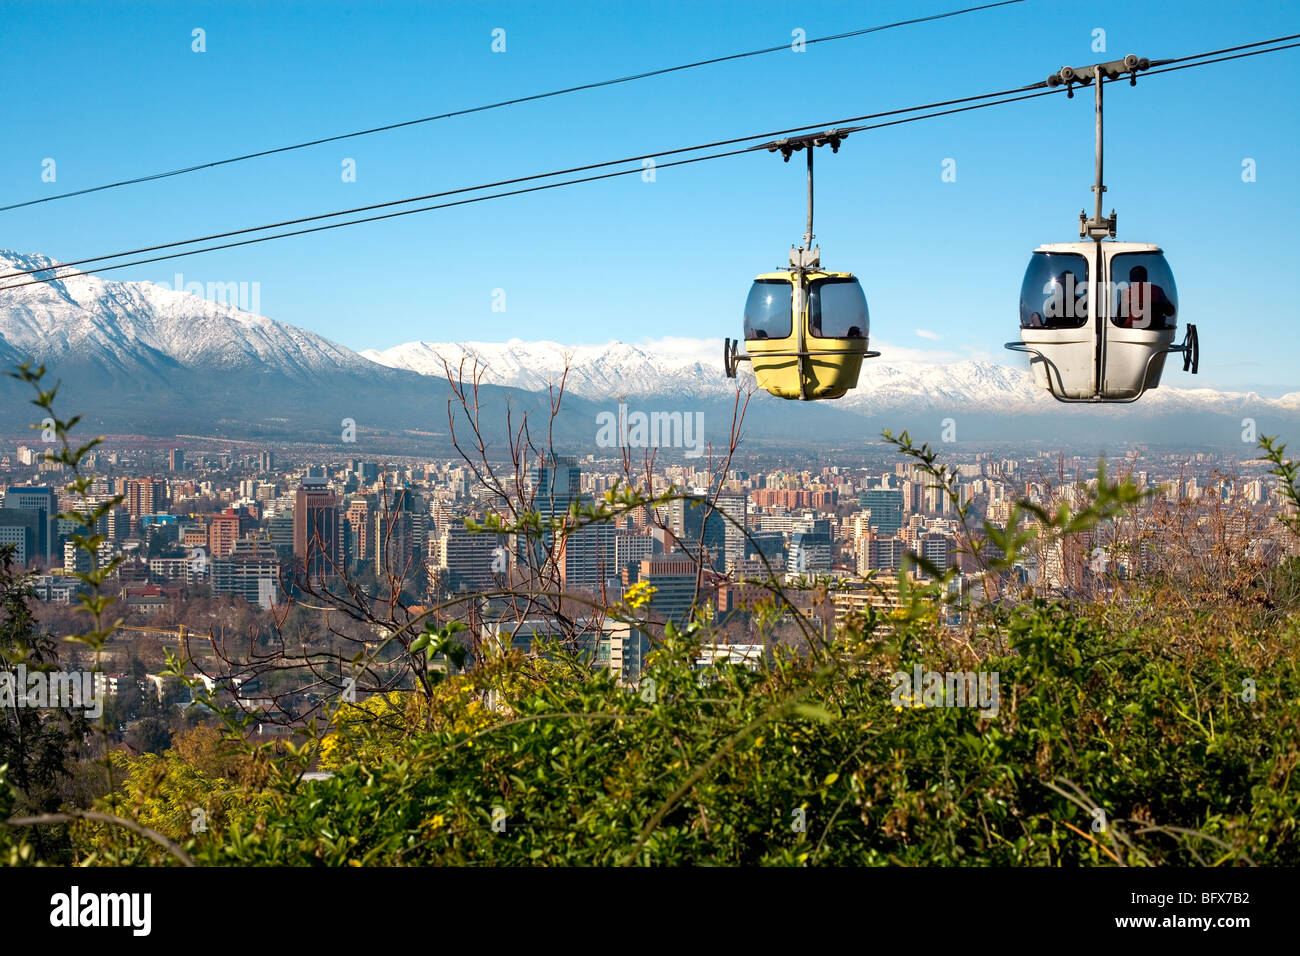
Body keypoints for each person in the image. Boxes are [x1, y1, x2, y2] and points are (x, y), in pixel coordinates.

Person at [1118, 265, 1175, 329]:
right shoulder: (1157, 290)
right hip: (1154, 330)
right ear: (1146, 277)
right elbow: (1170, 311)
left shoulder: (1126, 292)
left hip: (1130, 330)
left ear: (1130, 279)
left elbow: (1120, 319)